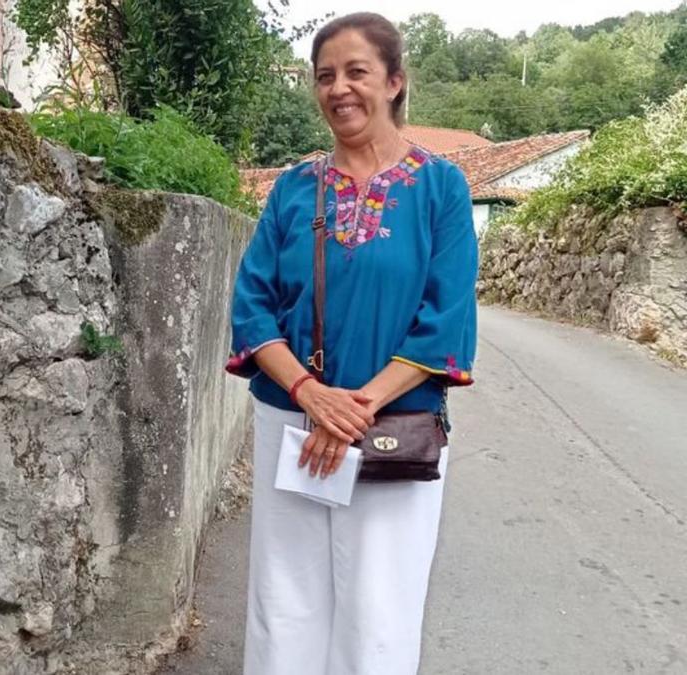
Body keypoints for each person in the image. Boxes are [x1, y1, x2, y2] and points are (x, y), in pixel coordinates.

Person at [227, 12, 478, 675]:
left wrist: (351, 408)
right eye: (325, 75)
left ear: (395, 81)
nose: (339, 88)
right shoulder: (293, 188)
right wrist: (311, 394)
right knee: (286, 600)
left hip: (394, 423)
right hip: (291, 419)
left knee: (379, 611)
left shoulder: (441, 188)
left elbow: (444, 319)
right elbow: (252, 306)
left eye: (356, 71)